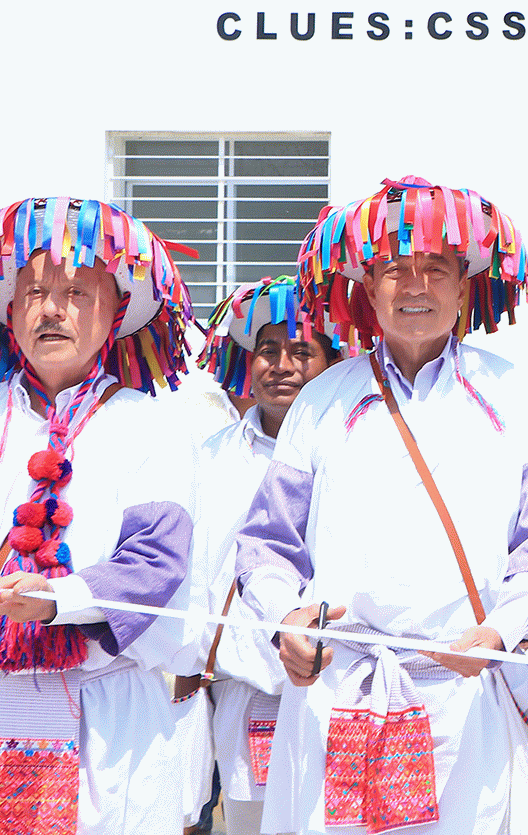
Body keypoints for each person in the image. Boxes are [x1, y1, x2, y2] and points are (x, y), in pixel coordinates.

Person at [235, 175, 528, 835]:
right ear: (368, 285)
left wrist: (501, 630)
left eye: (436, 269)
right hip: (342, 690)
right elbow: (266, 544)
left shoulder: (515, 397)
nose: (415, 286)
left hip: (466, 695)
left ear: (463, 285)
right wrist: (288, 618)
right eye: (396, 268)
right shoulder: (320, 401)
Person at [0, 196, 199, 835]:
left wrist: (58, 599)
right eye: (35, 292)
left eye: (77, 291)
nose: (52, 309)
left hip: (107, 720)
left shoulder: (151, 424)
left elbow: (158, 562)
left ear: (116, 311)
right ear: (12, 310)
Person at [180, 277, 342, 835]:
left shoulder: (354, 452)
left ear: (332, 364)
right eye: (268, 351)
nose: (283, 366)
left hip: (335, 687)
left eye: (302, 351)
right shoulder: (211, 456)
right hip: (240, 690)